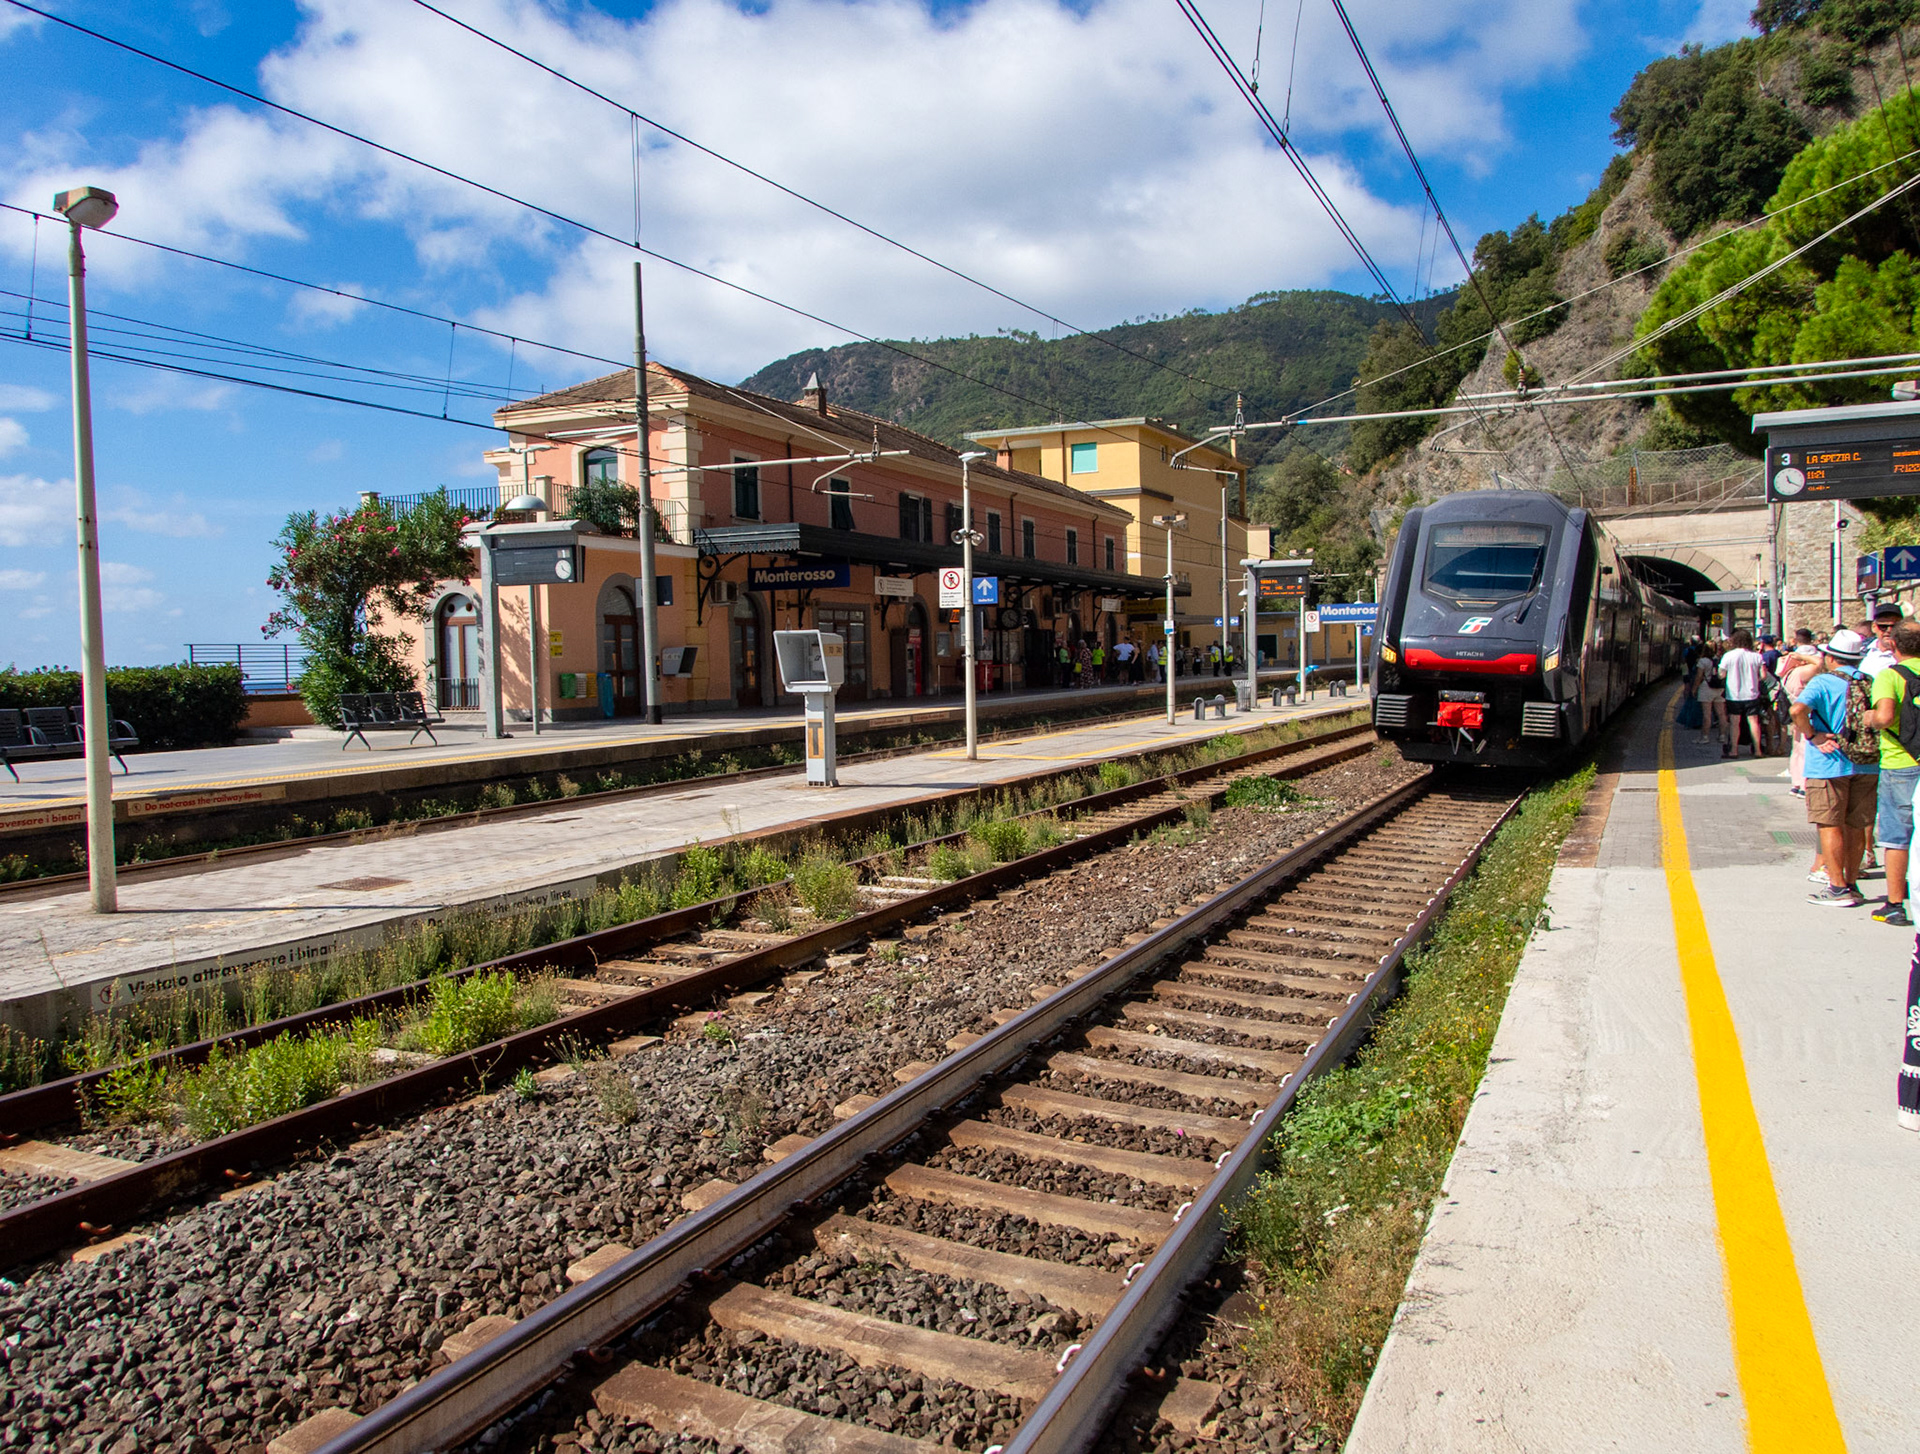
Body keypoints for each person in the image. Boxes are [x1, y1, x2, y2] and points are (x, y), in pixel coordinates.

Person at [1792, 628, 1880, 906]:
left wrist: (1812, 735)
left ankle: (1837, 887)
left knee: (1830, 825)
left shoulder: (1823, 682)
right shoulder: (1871, 681)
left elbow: (1797, 711)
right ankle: (1852, 883)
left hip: (1829, 763)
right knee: (1857, 826)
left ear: (1831, 657)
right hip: (1867, 763)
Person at [1866, 619, 1920, 925]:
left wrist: (1869, 718)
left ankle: (1896, 903)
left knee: (1897, 836)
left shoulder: (1889, 676)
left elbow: (1885, 717)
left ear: (1893, 645)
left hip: (1901, 763)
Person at [1718, 629, 1767, 758]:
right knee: (1754, 722)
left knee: (1735, 722)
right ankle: (1757, 750)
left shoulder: (1728, 656)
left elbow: (1721, 675)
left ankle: (1734, 750)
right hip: (1752, 694)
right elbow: (1763, 675)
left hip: (1734, 694)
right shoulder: (1757, 656)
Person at [1782, 643, 1822, 797]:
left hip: (1794, 712)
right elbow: (1819, 663)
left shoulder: (1789, 673)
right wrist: (1804, 657)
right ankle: (1805, 784)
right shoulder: (1804, 672)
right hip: (1806, 713)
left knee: (1797, 748)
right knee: (1806, 748)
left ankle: (1796, 783)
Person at [1692, 641, 1726, 745]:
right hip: (1719, 688)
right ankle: (1722, 736)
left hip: (1706, 688)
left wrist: (1694, 688)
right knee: (1721, 714)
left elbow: (1699, 677)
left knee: (1707, 714)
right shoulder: (1720, 659)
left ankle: (1705, 737)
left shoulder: (1703, 661)